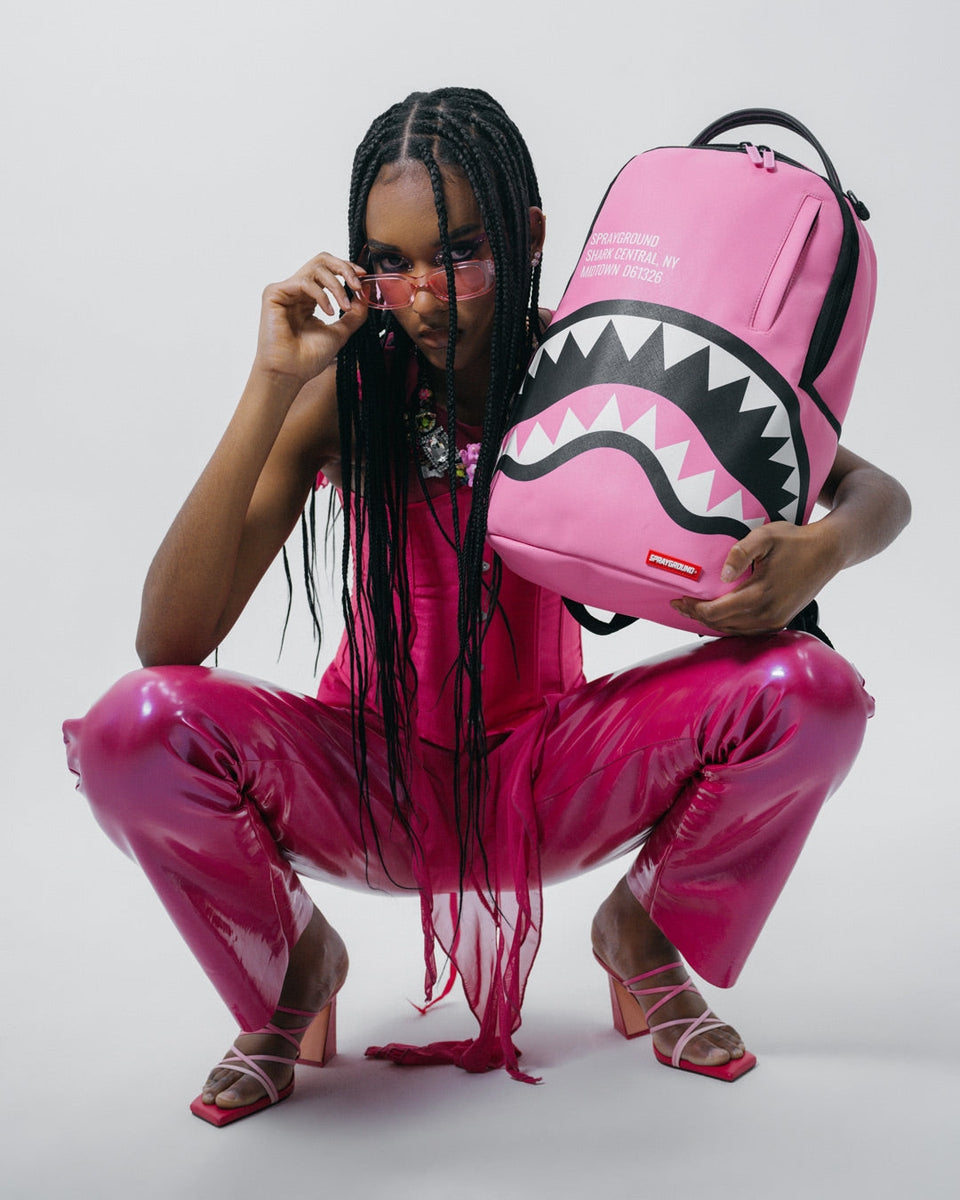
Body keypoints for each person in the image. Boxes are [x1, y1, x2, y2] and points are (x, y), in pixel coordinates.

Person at [63, 87, 910, 1125]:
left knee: (813, 690)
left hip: (550, 777)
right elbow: (169, 640)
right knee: (135, 724)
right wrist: (270, 382)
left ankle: (641, 932)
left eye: (459, 252)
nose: (426, 295)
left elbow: (874, 491)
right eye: (391, 263)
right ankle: (292, 966)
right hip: (368, 783)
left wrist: (822, 550)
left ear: (529, 237)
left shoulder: (595, 362)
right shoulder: (347, 398)